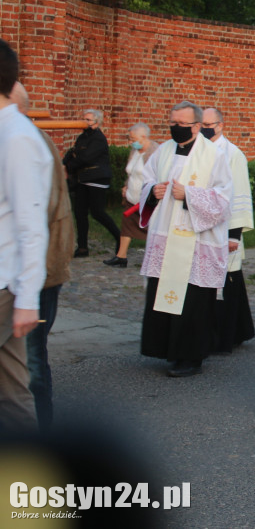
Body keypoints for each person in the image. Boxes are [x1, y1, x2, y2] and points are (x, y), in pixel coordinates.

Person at [138, 101, 232, 377]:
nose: (175, 128)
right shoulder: (164, 150)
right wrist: (152, 191)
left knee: (192, 300)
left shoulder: (214, 154)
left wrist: (189, 195)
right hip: (166, 235)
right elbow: (146, 181)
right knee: (163, 293)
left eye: (181, 124)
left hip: (196, 238)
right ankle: (166, 350)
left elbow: (224, 198)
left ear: (196, 126)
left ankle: (191, 357)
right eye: (173, 122)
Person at [11, 83, 74, 430]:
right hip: (23, 274)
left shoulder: (28, 144)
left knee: (32, 363)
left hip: (38, 273)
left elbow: (36, 220)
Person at [0, 39, 49, 431]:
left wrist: (28, 298)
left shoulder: (17, 137)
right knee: (13, 393)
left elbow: (32, 223)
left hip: (3, 283)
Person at [201, 107, 255, 354]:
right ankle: (241, 329)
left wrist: (235, 234)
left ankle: (224, 337)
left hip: (225, 228)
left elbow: (240, 193)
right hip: (203, 225)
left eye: (208, 124)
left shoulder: (233, 154)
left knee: (227, 281)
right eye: (200, 123)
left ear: (221, 125)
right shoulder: (198, 151)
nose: (204, 128)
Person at [63, 108, 120, 257]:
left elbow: (85, 157)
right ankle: (82, 247)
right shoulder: (83, 137)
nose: (85, 122)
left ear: (97, 122)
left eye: (88, 120)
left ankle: (119, 237)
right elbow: (73, 152)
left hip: (96, 180)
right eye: (84, 119)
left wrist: (70, 165)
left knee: (98, 213)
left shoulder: (98, 138)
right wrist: (65, 162)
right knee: (80, 213)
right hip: (84, 179)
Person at [106, 123, 158, 267]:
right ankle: (121, 257)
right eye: (129, 139)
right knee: (127, 226)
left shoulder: (155, 152)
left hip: (147, 200)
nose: (130, 142)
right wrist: (126, 185)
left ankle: (153, 259)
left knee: (151, 229)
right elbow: (131, 171)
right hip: (131, 197)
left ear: (143, 137)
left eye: (132, 139)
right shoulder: (134, 151)